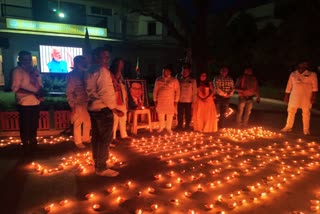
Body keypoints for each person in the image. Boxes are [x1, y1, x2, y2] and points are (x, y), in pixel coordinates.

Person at [85, 46, 124, 177]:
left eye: (108, 57)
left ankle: (98, 163)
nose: (107, 60)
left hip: (93, 108)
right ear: (96, 57)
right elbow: (105, 93)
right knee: (104, 139)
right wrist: (114, 108)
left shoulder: (90, 69)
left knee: (96, 138)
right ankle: (101, 167)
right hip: (103, 109)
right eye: (104, 57)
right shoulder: (102, 71)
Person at [11, 50, 44, 156]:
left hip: (35, 102)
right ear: (20, 60)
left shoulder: (34, 70)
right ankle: (26, 146)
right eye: (25, 59)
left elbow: (40, 84)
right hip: (24, 103)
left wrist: (39, 90)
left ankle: (34, 145)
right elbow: (15, 88)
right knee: (25, 126)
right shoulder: (18, 71)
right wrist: (33, 92)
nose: (28, 61)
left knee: (34, 125)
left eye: (29, 59)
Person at [281, 61, 318, 135]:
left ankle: (306, 130)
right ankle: (288, 127)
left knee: (306, 113)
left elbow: (315, 87)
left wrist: (314, 97)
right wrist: (286, 96)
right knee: (291, 112)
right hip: (294, 96)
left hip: (306, 97)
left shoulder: (312, 74)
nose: (304, 64)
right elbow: (289, 86)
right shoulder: (293, 74)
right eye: (302, 63)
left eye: (305, 63)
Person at [66, 55, 91, 149]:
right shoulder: (72, 75)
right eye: (82, 62)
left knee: (87, 121)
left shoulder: (86, 73)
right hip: (77, 102)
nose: (85, 64)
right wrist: (72, 104)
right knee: (78, 122)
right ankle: (78, 141)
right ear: (77, 63)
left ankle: (86, 138)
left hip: (87, 101)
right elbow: (69, 91)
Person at [110, 58, 132, 144]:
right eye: (120, 64)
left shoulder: (121, 75)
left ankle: (124, 135)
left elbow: (123, 86)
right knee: (115, 120)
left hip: (123, 100)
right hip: (114, 100)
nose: (121, 66)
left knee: (123, 119)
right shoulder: (110, 74)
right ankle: (113, 137)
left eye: (122, 64)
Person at [153, 65, 180, 134]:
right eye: (164, 71)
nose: (165, 72)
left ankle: (168, 128)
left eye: (167, 71)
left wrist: (176, 100)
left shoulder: (174, 80)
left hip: (170, 99)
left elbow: (177, 90)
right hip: (160, 99)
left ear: (170, 72)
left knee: (170, 114)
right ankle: (161, 127)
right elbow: (155, 90)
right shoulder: (158, 79)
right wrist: (155, 100)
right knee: (160, 113)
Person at [175, 63, 197, 131]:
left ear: (189, 72)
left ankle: (187, 125)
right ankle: (179, 125)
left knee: (188, 114)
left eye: (186, 71)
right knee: (180, 114)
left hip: (188, 100)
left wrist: (194, 101)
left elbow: (194, 92)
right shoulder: (178, 79)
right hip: (180, 99)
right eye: (183, 71)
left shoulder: (192, 80)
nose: (184, 73)